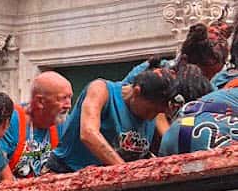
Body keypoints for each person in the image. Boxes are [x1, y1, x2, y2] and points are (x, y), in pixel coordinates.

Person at [45, 70, 190, 173]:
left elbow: (171, 137)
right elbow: (88, 133)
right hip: (67, 172)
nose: (152, 117)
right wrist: (126, 172)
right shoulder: (102, 90)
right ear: (136, 92)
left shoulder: (157, 111)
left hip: (111, 178)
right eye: (150, 110)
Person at [0, 73, 73, 179]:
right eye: (62, 98)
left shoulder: (64, 123)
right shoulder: (11, 119)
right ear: (40, 101)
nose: (68, 105)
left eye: (70, 97)